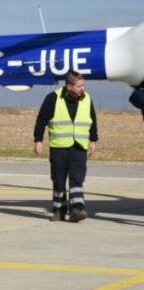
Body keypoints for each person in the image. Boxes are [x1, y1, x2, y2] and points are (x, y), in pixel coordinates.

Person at [34, 71, 98, 223]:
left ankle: (77, 209)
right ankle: (59, 210)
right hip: (59, 147)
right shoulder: (53, 98)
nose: (83, 88)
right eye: (79, 86)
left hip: (79, 146)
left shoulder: (87, 99)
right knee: (58, 180)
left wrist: (93, 140)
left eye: (83, 85)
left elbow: (92, 120)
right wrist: (38, 140)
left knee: (77, 178)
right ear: (69, 86)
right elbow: (41, 119)